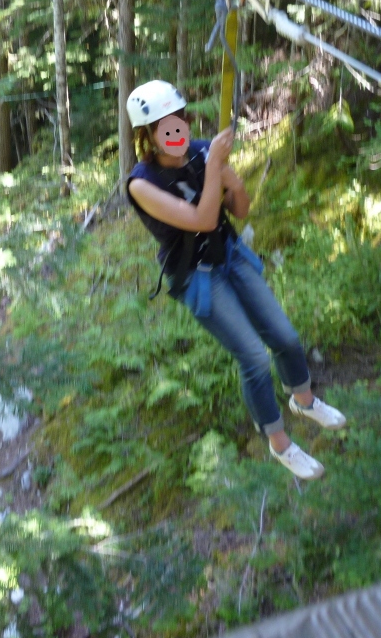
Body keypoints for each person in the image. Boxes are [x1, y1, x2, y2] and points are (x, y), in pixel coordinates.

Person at [124, 80, 346, 480]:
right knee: (254, 357)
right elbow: (202, 219)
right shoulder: (142, 184)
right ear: (148, 135)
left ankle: (305, 401)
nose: (177, 129)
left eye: (180, 119)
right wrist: (214, 169)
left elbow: (239, 210)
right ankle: (280, 443)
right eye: (165, 125)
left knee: (285, 336)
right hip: (196, 276)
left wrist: (234, 181)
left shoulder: (201, 153)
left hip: (229, 254)